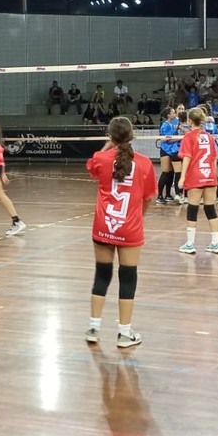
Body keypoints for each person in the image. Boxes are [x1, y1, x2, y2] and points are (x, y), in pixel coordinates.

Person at [84, 116, 155, 348]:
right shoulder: (144, 164)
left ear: (110, 136)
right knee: (128, 277)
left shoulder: (101, 159)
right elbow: (149, 198)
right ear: (132, 136)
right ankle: (124, 333)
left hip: (104, 225)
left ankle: (94, 328)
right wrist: (137, 217)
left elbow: (92, 167)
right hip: (130, 228)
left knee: (102, 275)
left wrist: (108, 147)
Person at [177, 108, 218, 255]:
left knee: (192, 209)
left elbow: (187, 157)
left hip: (196, 176)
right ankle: (215, 243)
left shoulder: (188, 137)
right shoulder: (209, 137)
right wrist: (214, 176)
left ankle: (190, 244)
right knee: (210, 209)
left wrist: (182, 178)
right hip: (210, 176)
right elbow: (214, 158)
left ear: (189, 121)